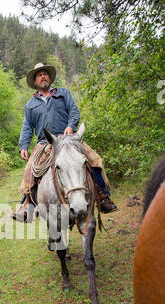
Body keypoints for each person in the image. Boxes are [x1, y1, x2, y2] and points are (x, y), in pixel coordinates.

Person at [12, 63, 117, 222]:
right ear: (35, 81)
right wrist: (23, 146)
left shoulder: (63, 94)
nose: (43, 76)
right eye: (39, 75)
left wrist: (70, 126)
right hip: (45, 143)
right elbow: (27, 126)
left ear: (50, 77)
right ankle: (26, 206)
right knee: (30, 170)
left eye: (45, 73)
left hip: (69, 139)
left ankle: (103, 197)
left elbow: (74, 112)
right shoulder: (30, 105)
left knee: (93, 159)